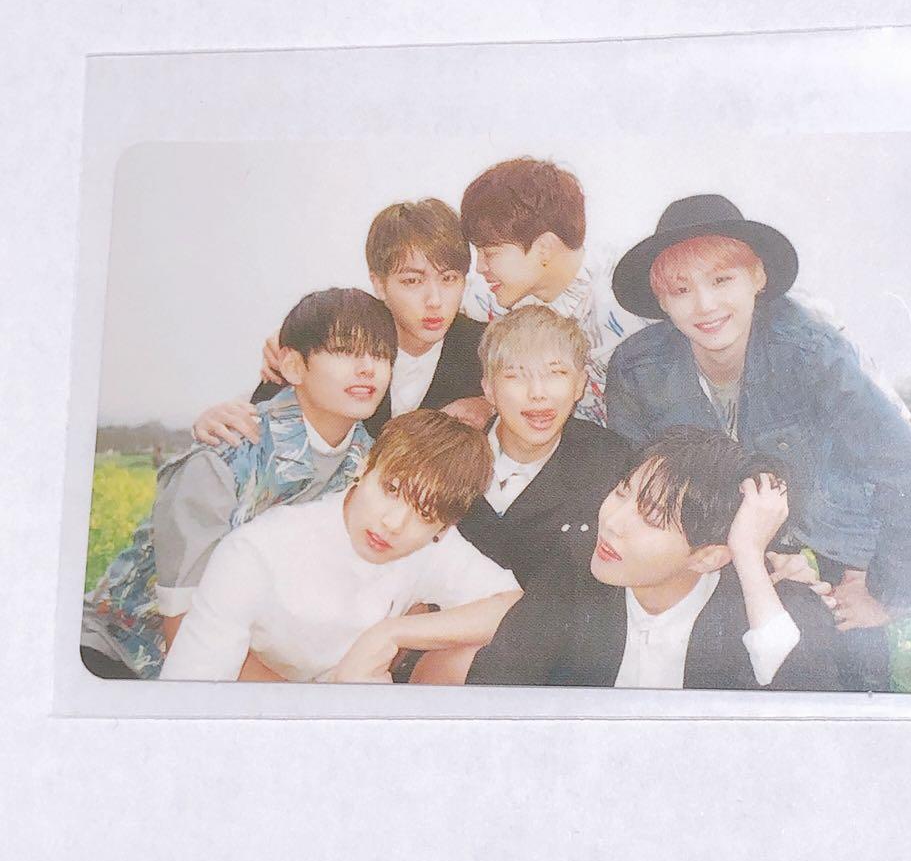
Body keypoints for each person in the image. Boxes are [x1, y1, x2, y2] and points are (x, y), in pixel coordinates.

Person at [603, 194, 911, 689]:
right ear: (661, 302)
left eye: (722, 280)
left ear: (758, 279)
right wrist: (752, 557)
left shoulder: (811, 353)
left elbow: (909, 473)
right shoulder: (637, 368)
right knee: (717, 683)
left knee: (844, 689)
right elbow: (641, 491)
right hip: (715, 553)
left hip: (829, 554)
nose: (705, 306)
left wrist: (886, 592)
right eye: (681, 290)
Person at [80, 288, 396, 679]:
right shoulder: (228, 455)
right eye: (345, 350)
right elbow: (186, 632)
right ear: (293, 366)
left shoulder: (370, 466)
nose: (367, 368)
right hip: (126, 656)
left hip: (258, 660)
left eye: (381, 354)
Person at [160, 410, 522, 683]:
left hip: (358, 709)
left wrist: (391, 632)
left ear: (443, 528)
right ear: (365, 467)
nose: (393, 523)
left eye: (424, 514)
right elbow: (190, 695)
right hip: (264, 717)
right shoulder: (256, 551)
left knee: (474, 652)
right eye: (391, 489)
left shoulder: (432, 546)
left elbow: (510, 606)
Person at [468, 428, 843, 691]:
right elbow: (494, 688)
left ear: (708, 557)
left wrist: (747, 555)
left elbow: (808, 728)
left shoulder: (773, 610)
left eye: (651, 517)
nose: (612, 523)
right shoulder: (574, 570)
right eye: (621, 492)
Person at [193, 199, 488, 447]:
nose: (434, 300)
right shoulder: (333, 337)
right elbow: (256, 420)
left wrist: (492, 406)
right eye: (412, 281)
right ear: (379, 284)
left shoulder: (486, 350)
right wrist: (218, 422)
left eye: (449, 278)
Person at [455, 305, 636, 585]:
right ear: (488, 388)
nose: (538, 394)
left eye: (556, 373)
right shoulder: (447, 455)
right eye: (516, 375)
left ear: (580, 385)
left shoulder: (610, 463)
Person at [459, 156, 643, 425]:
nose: (479, 267)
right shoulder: (492, 296)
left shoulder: (630, 295)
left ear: (544, 248)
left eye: (490, 253)